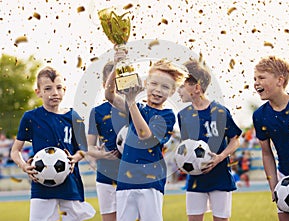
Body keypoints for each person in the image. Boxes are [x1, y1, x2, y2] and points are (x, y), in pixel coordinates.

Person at [105, 49, 186, 221]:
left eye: (165, 87)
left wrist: (131, 101)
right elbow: (109, 95)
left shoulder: (167, 115)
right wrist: (116, 67)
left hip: (150, 182)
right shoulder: (137, 108)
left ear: (172, 92)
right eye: (154, 84)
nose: (158, 90)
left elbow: (145, 135)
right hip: (126, 180)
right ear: (146, 83)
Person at [10, 66, 95, 221]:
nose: (54, 93)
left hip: (69, 181)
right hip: (41, 182)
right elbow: (15, 151)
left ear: (64, 89)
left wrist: (75, 158)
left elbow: (83, 149)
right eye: (48, 88)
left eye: (59, 88)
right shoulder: (31, 117)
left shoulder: (74, 117)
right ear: (38, 92)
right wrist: (24, 166)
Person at [177, 59, 242, 221]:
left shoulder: (220, 111)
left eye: (181, 85)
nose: (178, 90)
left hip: (220, 178)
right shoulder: (183, 115)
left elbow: (235, 139)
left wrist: (221, 157)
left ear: (197, 87)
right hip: (195, 179)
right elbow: (186, 148)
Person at [252, 55, 289, 221]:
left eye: (262, 78)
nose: (256, 83)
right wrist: (274, 185)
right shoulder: (260, 116)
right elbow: (266, 153)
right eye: (255, 78)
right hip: (286, 179)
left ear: (280, 80)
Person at [87, 61, 128, 221]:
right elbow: (88, 147)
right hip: (106, 176)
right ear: (105, 84)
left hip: (131, 175)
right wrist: (101, 154)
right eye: (112, 83)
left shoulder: (135, 109)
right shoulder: (97, 112)